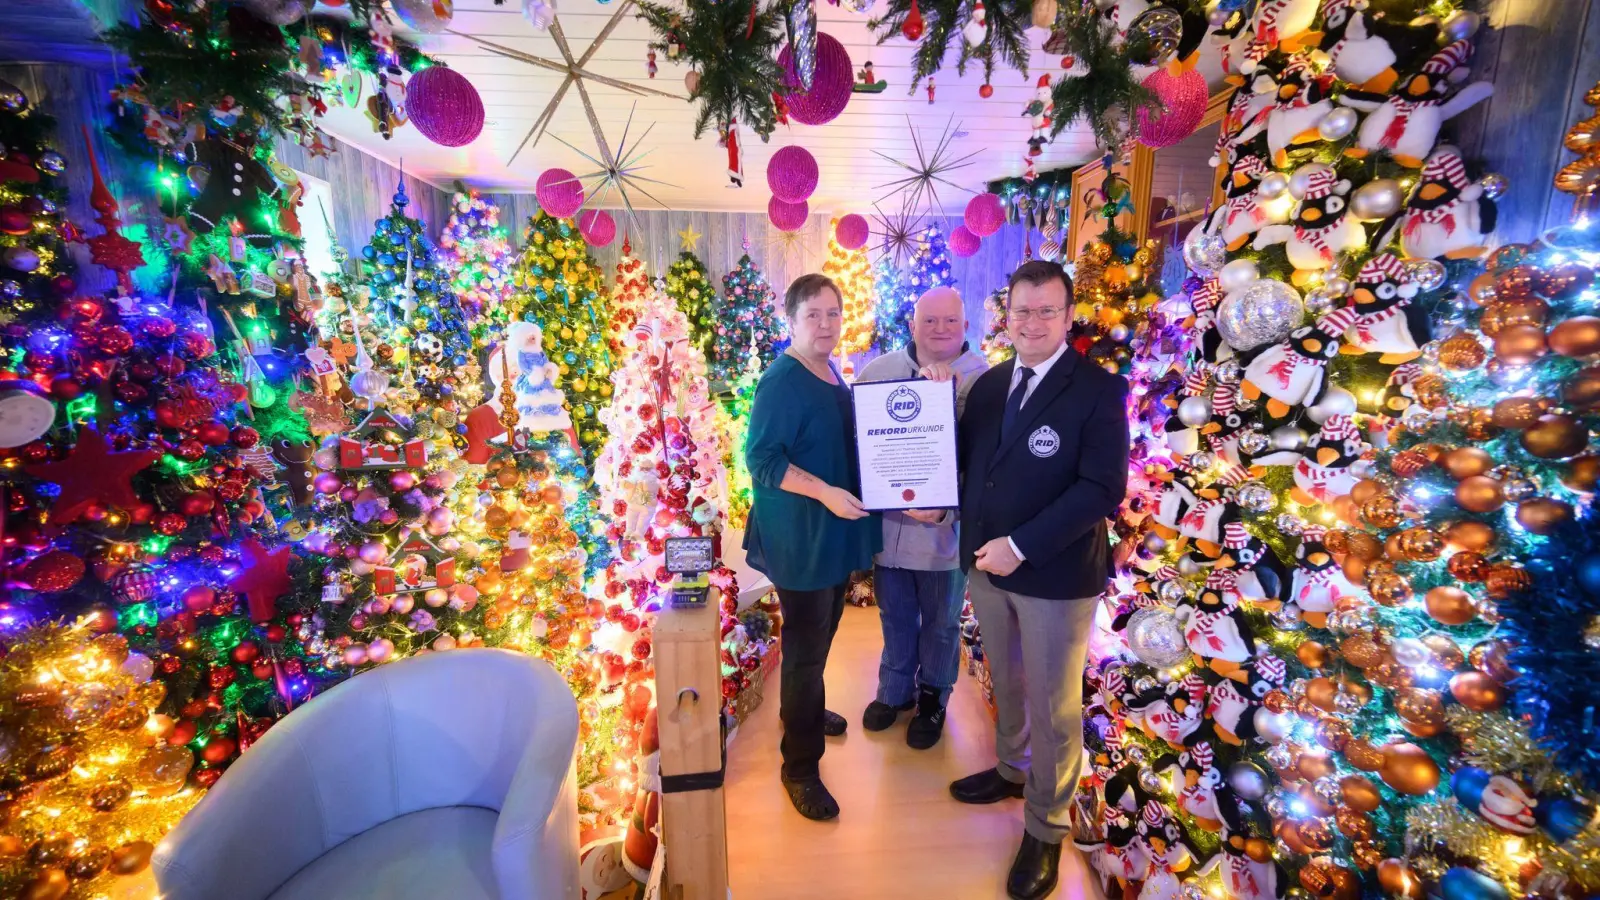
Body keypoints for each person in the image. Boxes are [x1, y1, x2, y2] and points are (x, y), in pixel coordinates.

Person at [948, 260, 1130, 900]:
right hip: (987, 568)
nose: (1031, 322)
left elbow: (1102, 489)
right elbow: (970, 467)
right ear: (1007, 314)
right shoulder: (993, 385)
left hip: (1053, 574)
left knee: (1056, 708)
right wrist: (931, 498)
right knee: (1010, 677)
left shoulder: (1098, 390)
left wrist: (1020, 546)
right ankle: (1010, 767)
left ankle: (1046, 828)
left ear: (1068, 314)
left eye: (1046, 310)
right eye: (1021, 310)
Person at [743, 273, 881, 821]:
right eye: (813, 315)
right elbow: (763, 460)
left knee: (822, 632)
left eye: (833, 313)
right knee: (804, 647)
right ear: (791, 321)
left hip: (832, 529)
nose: (826, 325)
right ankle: (799, 766)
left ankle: (801, 708)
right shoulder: (782, 380)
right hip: (799, 533)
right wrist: (825, 492)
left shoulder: (828, 371)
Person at [854, 286, 989, 749]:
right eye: (929, 320)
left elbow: (987, 465)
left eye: (950, 321)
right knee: (894, 615)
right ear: (912, 324)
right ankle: (894, 692)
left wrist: (948, 510)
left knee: (941, 621)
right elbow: (862, 446)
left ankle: (933, 697)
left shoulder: (984, 379)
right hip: (890, 532)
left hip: (945, 536)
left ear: (966, 326)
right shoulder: (879, 372)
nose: (940, 329)